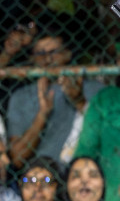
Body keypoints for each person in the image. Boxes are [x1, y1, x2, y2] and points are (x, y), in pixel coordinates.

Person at [6, 33, 105, 168]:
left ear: (68, 54)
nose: (47, 59)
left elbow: (109, 138)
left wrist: (80, 102)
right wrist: (43, 114)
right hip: (40, 179)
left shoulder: (95, 90)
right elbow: (18, 158)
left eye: (54, 52)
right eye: (39, 54)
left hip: (85, 172)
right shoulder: (21, 97)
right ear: (31, 59)